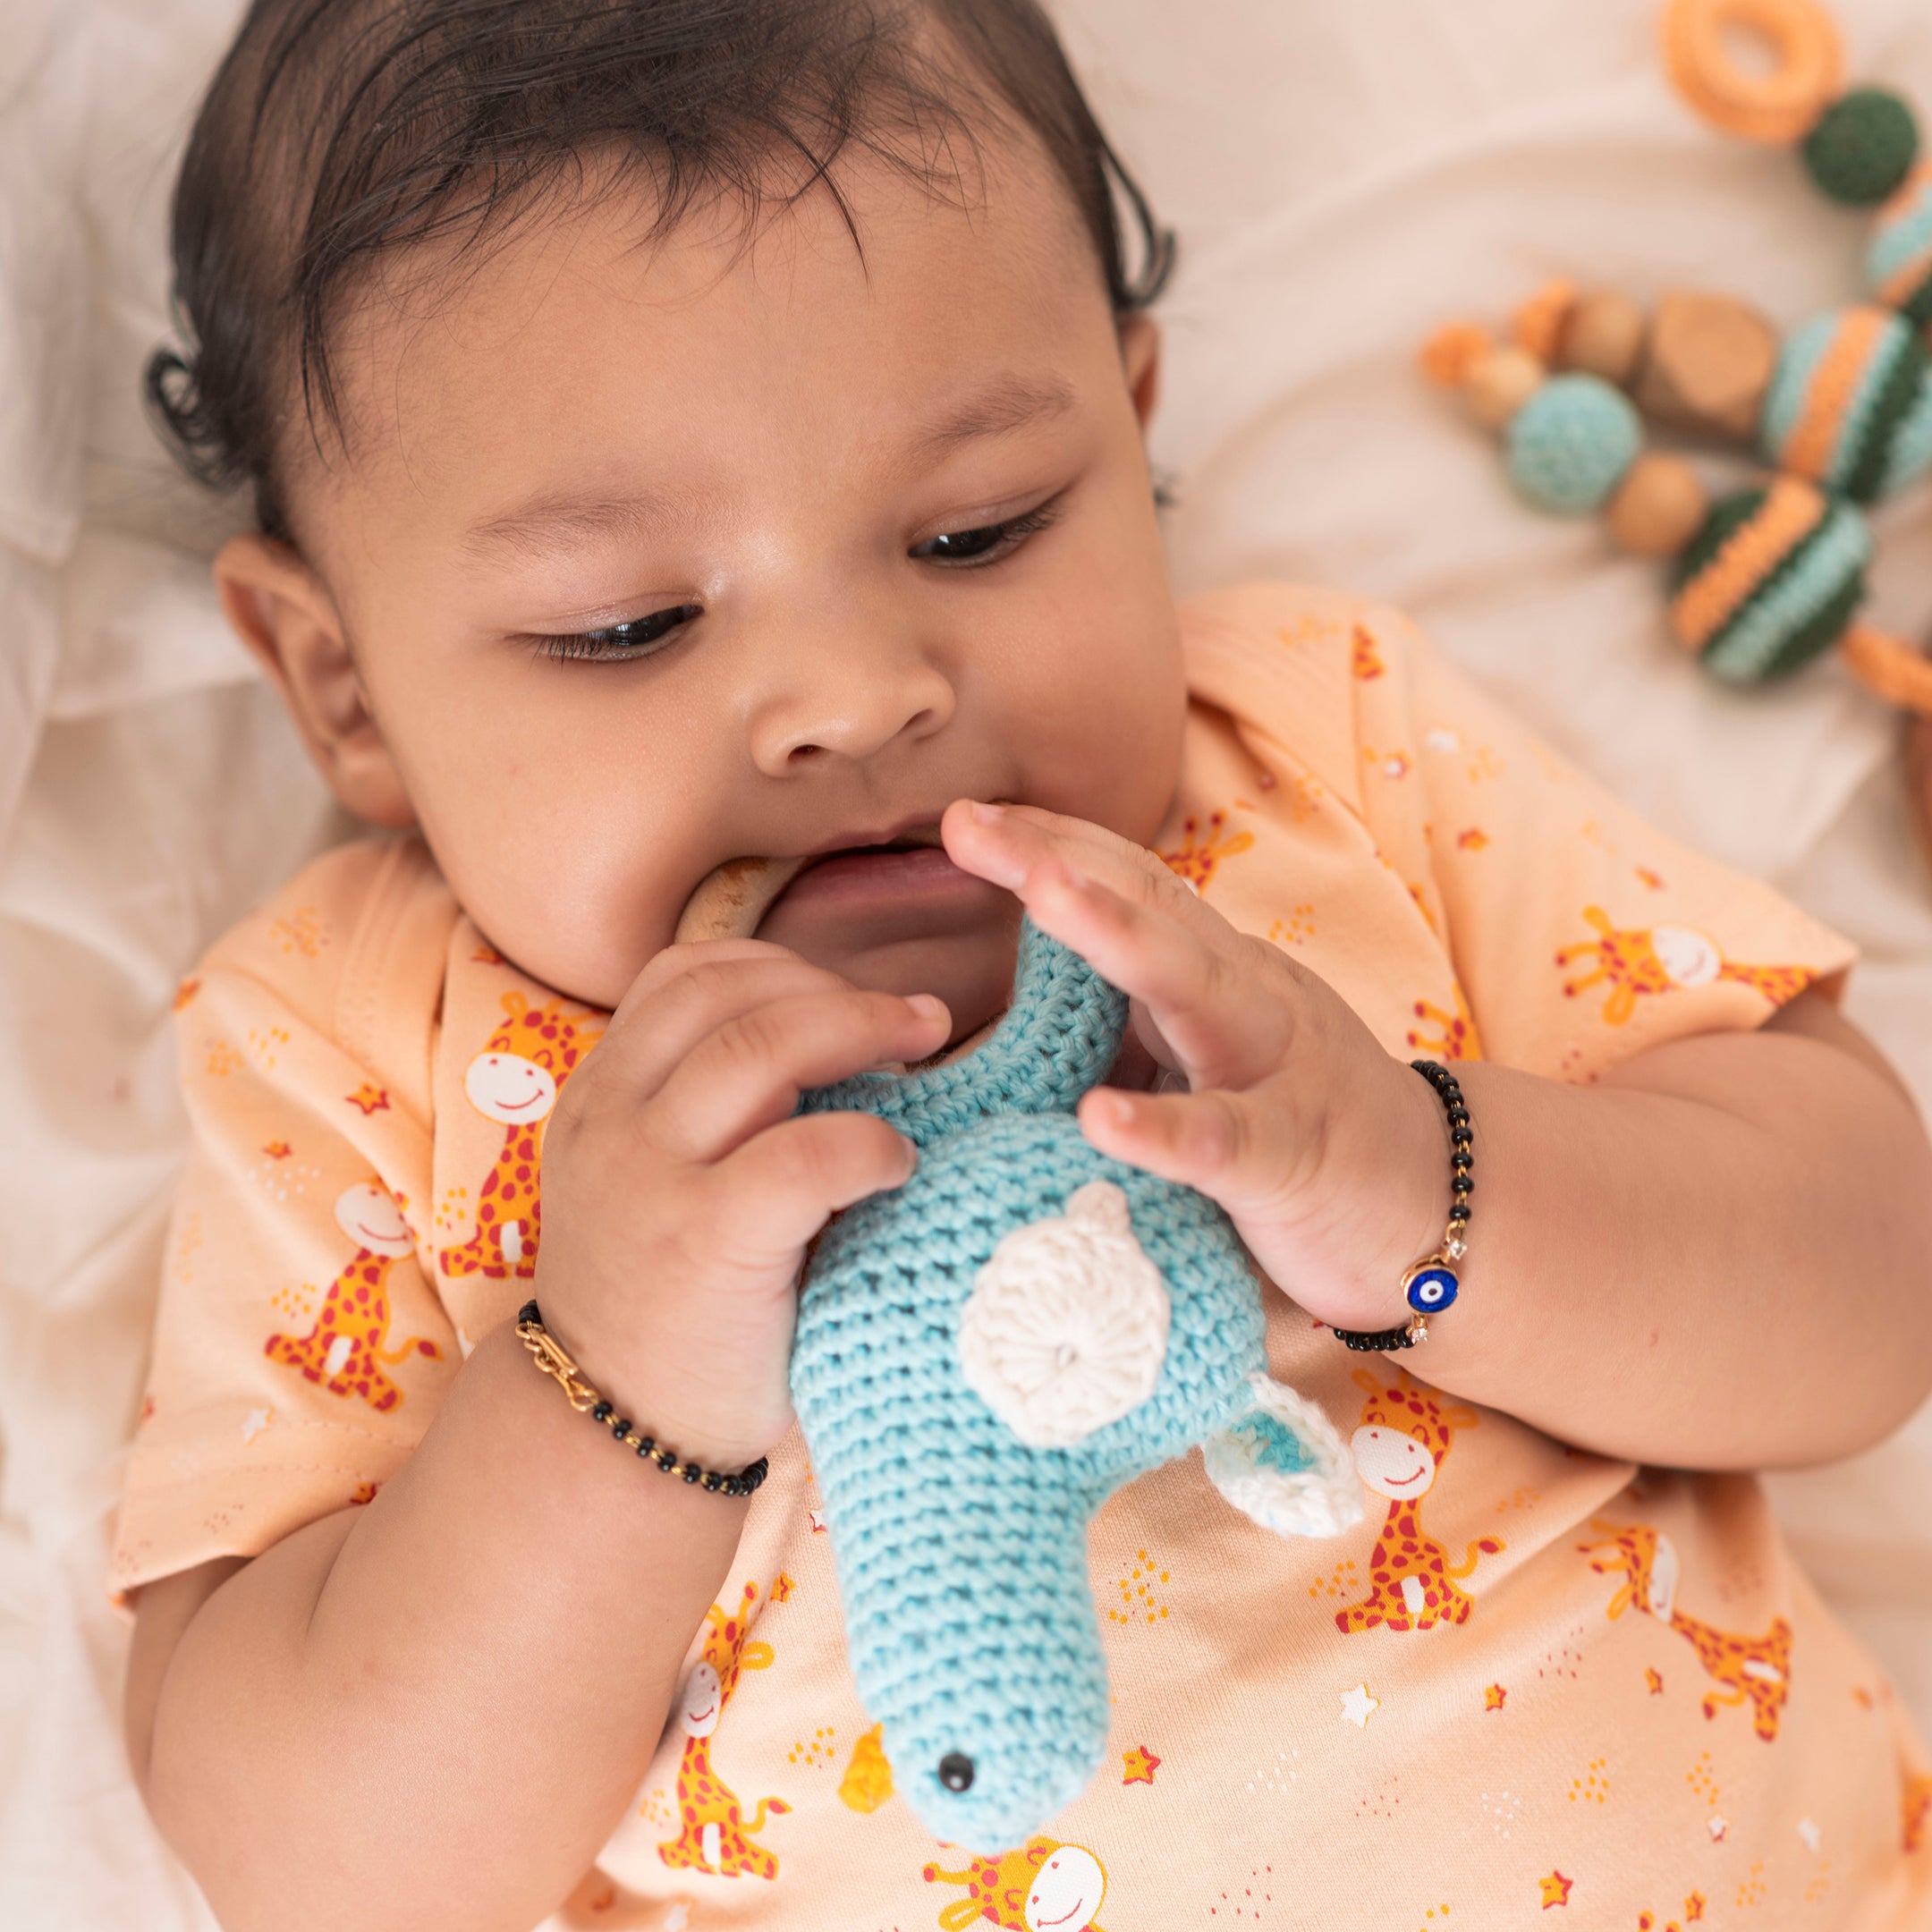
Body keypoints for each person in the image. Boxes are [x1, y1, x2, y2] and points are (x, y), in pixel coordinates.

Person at [117, 2, 1932, 1928]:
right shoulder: (350, 1040)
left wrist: (1425, 1177)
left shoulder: (1323, 745)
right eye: (629, 625)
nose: (857, 695)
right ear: (338, 681)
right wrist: (608, 1394)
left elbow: (1867, 1281)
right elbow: (315, 1866)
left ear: (1131, 432)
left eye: (979, 531)